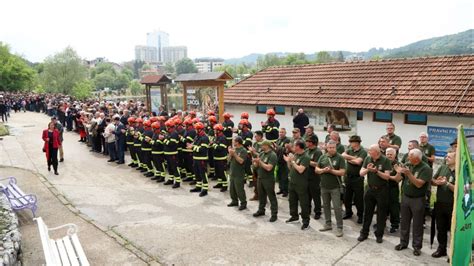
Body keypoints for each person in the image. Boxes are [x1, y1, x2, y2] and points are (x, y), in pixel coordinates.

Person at [394, 149, 433, 256]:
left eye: (410, 156)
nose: (407, 158)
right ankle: (403, 243)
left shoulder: (426, 168)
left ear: (417, 158)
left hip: (418, 199)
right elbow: (398, 179)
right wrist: (398, 172)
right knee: (404, 222)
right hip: (406, 197)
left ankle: (416, 247)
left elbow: (419, 184)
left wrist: (409, 174)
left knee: (417, 224)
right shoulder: (407, 164)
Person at [357, 144, 392, 243]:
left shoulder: (385, 160)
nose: (368, 152)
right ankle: (364, 233)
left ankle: (379, 234)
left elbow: (387, 177)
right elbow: (361, 173)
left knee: (381, 214)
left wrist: (376, 171)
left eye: (370, 150)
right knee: (367, 213)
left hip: (382, 190)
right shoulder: (368, 158)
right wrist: (368, 169)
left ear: (376, 152)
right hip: (370, 189)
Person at [316, 140, 346, 237]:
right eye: (329, 147)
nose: (331, 149)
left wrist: (331, 171)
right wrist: (323, 170)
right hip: (324, 186)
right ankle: (328, 224)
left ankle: (339, 227)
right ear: (326, 148)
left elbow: (342, 172)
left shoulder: (340, 158)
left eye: (333, 147)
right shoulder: (323, 157)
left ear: (335, 148)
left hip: (335, 187)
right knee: (326, 206)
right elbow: (316, 169)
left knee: (337, 208)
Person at [431, 152, 455, 258]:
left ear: (456, 159)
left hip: (453, 205)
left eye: (449, 157)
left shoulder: (460, 171)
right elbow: (432, 180)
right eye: (446, 156)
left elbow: (462, 190)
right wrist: (437, 182)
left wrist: (447, 184)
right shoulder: (443, 167)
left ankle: (453, 253)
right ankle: (441, 249)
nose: (446, 158)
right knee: (441, 229)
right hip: (440, 203)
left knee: (453, 231)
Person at [284, 140, 311, 230]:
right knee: (292, 201)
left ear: (299, 147)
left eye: (294, 145)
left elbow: (300, 170)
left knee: (304, 203)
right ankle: (294, 216)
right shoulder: (295, 155)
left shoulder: (305, 157)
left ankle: (305, 221)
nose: (293, 147)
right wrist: (288, 161)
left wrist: (292, 162)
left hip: (301, 184)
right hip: (292, 182)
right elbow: (290, 168)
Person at [341, 135, 367, 224]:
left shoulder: (363, 152)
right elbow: (343, 155)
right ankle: (348, 212)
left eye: (351, 142)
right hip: (348, 177)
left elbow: (358, 162)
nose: (350, 144)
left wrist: (349, 159)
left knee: (358, 199)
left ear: (356, 143)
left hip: (357, 178)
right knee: (346, 197)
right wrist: (354, 158)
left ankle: (360, 215)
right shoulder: (349, 150)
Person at [252, 140, 278, 222]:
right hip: (260, 178)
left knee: (271, 197)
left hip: (268, 179)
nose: (261, 147)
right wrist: (255, 163)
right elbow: (257, 166)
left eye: (262, 145)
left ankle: (274, 214)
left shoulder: (272, 155)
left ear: (267, 146)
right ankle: (261, 210)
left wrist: (260, 162)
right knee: (261, 196)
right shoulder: (262, 154)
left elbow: (269, 168)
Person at [189, 122, 210, 196]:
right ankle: (198, 187)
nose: (195, 130)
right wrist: (192, 145)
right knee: (197, 174)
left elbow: (203, 149)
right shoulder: (197, 136)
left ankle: (205, 189)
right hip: (195, 158)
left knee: (203, 174)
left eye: (196, 129)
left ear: (200, 130)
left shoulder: (205, 138)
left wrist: (193, 147)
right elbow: (195, 145)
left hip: (202, 159)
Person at [227, 137, 248, 210]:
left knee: (239, 189)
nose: (233, 143)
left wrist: (234, 154)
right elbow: (228, 160)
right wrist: (230, 153)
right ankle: (234, 201)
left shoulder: (243, 150)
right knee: (232, 189)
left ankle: (243, 203)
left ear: (238, 142)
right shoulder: (234, 150)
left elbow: (241, 161)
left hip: (239, 173)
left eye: (234, 141)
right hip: (232, 172)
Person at [305, 135, 323, 219]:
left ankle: (318, 212)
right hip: (306, 176)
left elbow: (317, 164)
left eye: (307, 141)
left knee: (315, 195)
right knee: (307, 195)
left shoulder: (318, 152)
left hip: (314, 177)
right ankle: (307, 210)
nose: (306, 143)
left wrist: (307, 161)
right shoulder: (306, 150)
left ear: (312, 143)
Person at [386, 148, 402, 233]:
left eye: (391, 154)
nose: (389, 156)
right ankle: (381, 223)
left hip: (393, 188)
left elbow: (398, 179)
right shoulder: (383, 162)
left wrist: (386, 176)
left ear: (395, 155)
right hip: (383, 187)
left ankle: (395, 225)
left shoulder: (398, 165)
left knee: (394, 207)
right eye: (387, 154)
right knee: (383, 206)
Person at [212, 123, 229, 192]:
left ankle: (225, 185)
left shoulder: (223, 138)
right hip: (216, 157)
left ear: (219, 130)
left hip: (221, 158)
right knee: (218, 172)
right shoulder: (217, 137)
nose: (214, 131)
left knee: (222, 172)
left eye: (215, 130)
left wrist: (213, 144)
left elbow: (220, 148)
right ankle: (220, 183)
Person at [276, 128, 291, 197]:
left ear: (285, 133)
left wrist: (278, 147)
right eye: (280, 132)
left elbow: (285, 150)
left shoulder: (287, 140)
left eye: (282, 132)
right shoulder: (278, 140)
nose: (281, 133)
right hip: (278, 160)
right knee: (279, 176)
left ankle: (285, 191)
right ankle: (281, 189)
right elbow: (277, 149)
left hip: (284, 161)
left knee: (284, 177)